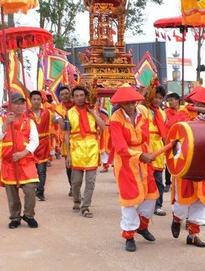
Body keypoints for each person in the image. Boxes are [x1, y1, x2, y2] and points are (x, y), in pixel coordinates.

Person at [109, 84, 159, 252]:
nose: (132, 105)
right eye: (128, 103)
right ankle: (129, 235)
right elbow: (120, 147)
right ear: (121, 104)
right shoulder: (116, 118)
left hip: (144, 157)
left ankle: (142, 226)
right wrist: (140, 156)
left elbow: (147, 137)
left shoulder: (143, 112)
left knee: (151, 196)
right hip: (125, 162)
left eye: (134, 102)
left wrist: (149, 154)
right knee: (130, 200)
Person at [169, 86, 205, 248]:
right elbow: (175, 132)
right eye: (202, 103)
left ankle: (193, 235)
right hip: (188, 164)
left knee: (201, 202)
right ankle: (177, 219)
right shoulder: (184, 114)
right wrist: (192, 124)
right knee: (183, 201)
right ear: (195, 101)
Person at [0, 92, 40, 229]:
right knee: (12, 194)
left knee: (30, 190)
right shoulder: (0, 121)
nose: (19, 106)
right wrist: (7, 123)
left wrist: (23, 153)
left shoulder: (30, 121)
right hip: (9, 163)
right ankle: (15, 218)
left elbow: (34, 141)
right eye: (16, 103)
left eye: (21, 103)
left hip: (26, 162)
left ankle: (29, 215)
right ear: (10, 105)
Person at [64, 86, 105, 218]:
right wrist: (68, 154)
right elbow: (67, 134)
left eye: (82, 95)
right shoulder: (69, 113)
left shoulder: (93, 110)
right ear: (73, 98)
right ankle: (77, 200)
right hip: (76, 148)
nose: (80, 98)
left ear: (86, 96)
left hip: (92, 148)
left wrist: (92, 112)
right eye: (76, 96)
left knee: (91, 181)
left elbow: (103, 126)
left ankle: (85, 206)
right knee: (76, 181)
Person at [144, 84, 168, 217]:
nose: (157, 100)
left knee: (159, 179)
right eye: (156, 97)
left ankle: (158, 205)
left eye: (160, 98)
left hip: (158, 148)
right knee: (146, 178)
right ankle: (145, 203)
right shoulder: (143, 110)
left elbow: (164, 132)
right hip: (146, 146)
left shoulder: (162, 114)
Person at [28, 91, 52, 201]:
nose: (36, 101)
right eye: (34, 99)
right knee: (31, 169)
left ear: (41, 101)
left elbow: (58, 120)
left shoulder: (47, 113)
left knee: (42, 170)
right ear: (30, 100)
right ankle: (31, 190)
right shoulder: (25, 114)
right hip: (30, 145)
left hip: (43, 144)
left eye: (38, 99)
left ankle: (40, 191)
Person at [54, 86, 75, 195]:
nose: (65, 96)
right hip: (66, 138)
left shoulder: (76, 104)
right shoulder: (58, 109)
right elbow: (62, 125)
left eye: (67, 93)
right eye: (62, 94)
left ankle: (76, 186)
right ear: (60, 96)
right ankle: (72, 186)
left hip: (78, 137)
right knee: (69, 164)